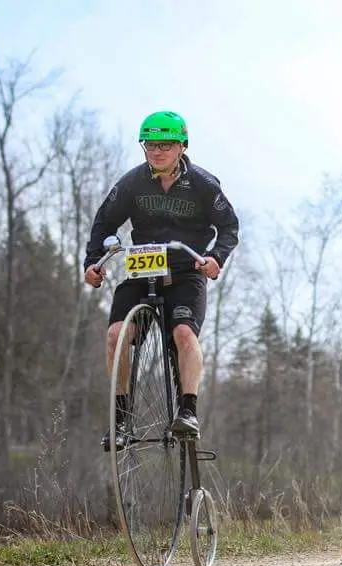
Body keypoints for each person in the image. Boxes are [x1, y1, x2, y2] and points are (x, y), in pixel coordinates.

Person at [82, 110, 239, 451]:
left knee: (183, 333)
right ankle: (121, 419)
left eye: (165, 145)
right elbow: (102, 224)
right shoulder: (131, 183)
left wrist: (216, 258)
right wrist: (92, 262)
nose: (157, 152)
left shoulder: (202, 184)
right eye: (150, 145)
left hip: (186, 273)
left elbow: (229, 227)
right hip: (142, 271)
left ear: (182, 146)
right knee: (115, 335)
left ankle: (188, 410)